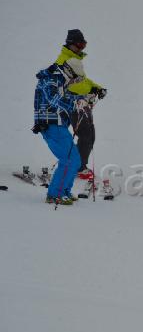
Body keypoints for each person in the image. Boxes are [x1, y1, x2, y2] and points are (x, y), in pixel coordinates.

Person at [55, 29, 107, 180]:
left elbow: (83, 80)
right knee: (86, 134)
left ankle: (76, 165)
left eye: (83, 45)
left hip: (80, 102)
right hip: (72, 102)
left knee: (89, 134)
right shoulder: (66, 60)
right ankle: (78, 167)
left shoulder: (74, 60)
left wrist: (96, 87)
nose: (80, 48)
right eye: (78, 45)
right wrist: (91, 90)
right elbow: (73, 85)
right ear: (70, 44)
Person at [32, 59, 86, 204]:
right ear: (69, 71)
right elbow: (53, 98)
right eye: (75, 77)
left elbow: (65, 97)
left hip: (59, 124)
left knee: (75, 160)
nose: (75, 81)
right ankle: (55, 194)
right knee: (69, 159)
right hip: (51, 124)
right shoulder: (51, 78)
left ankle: (64, 191)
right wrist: (74, 103)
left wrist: (82, 99)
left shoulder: (60, 80)